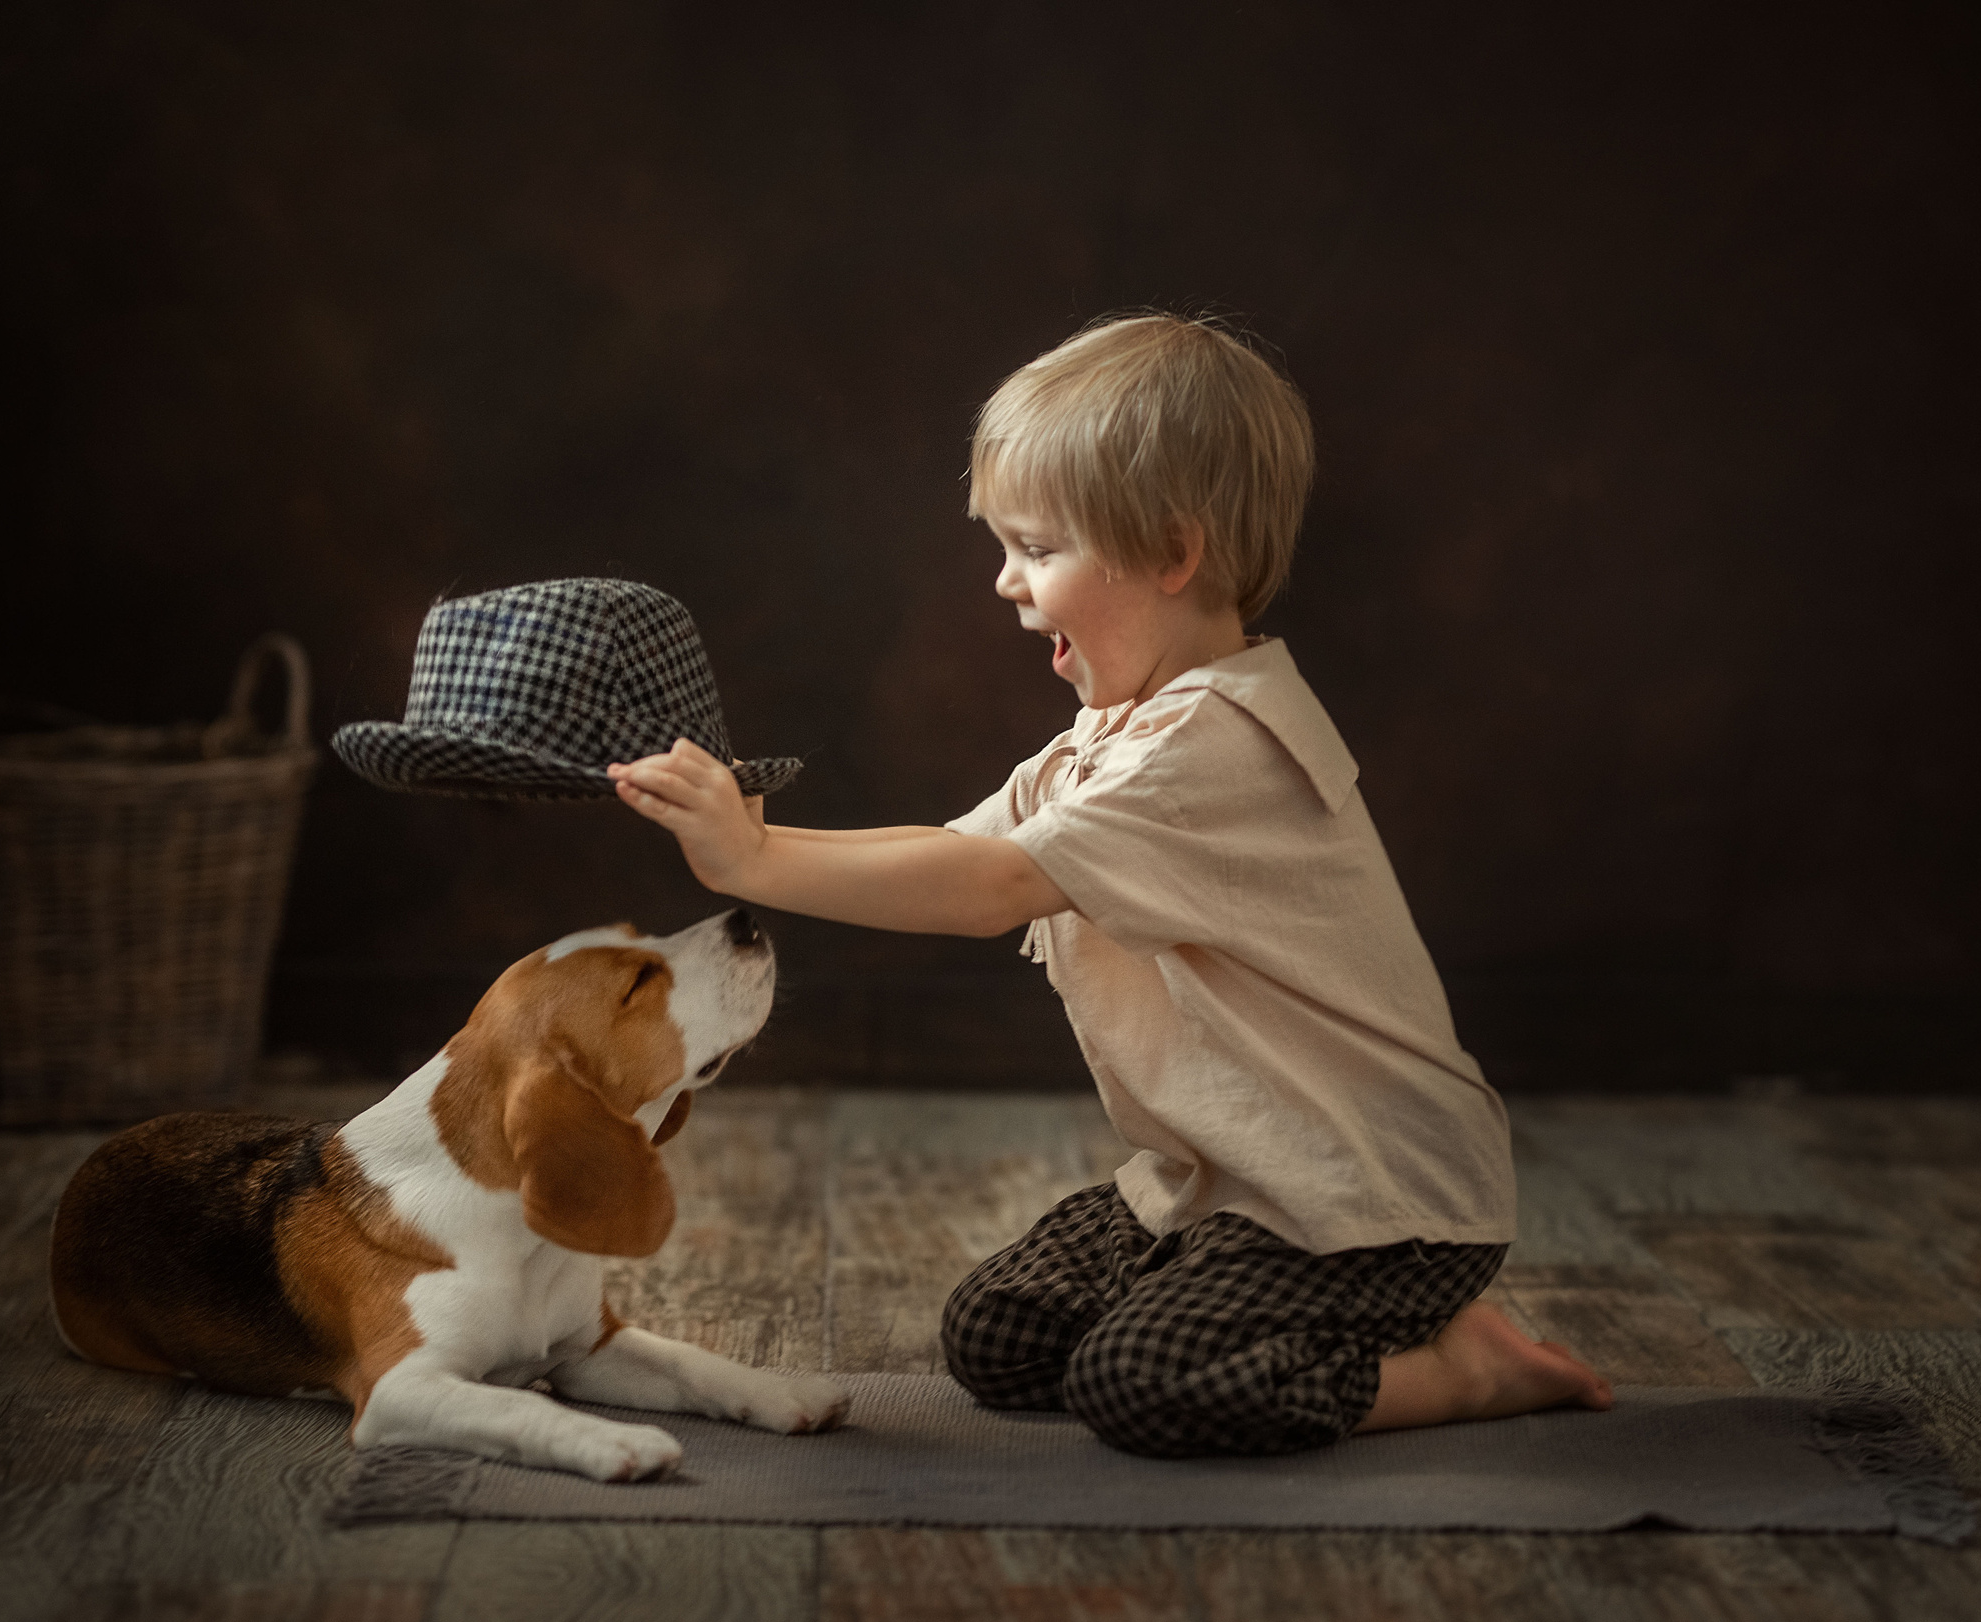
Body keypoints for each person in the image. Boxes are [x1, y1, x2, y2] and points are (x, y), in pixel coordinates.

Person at [612, 312, 1611, 1457]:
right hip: (1229, 1184)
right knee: (996, 1339)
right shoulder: (1110, 738)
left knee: (1142, 1388)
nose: (1004, 582)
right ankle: (1269, 1307)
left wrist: (753, 863)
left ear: (1172, 555)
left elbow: (986, 887)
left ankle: (1461, 1371)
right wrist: (752, 837)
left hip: (1369, 1204)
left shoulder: (1214, 749)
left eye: (1036, 548)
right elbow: (946, 847)